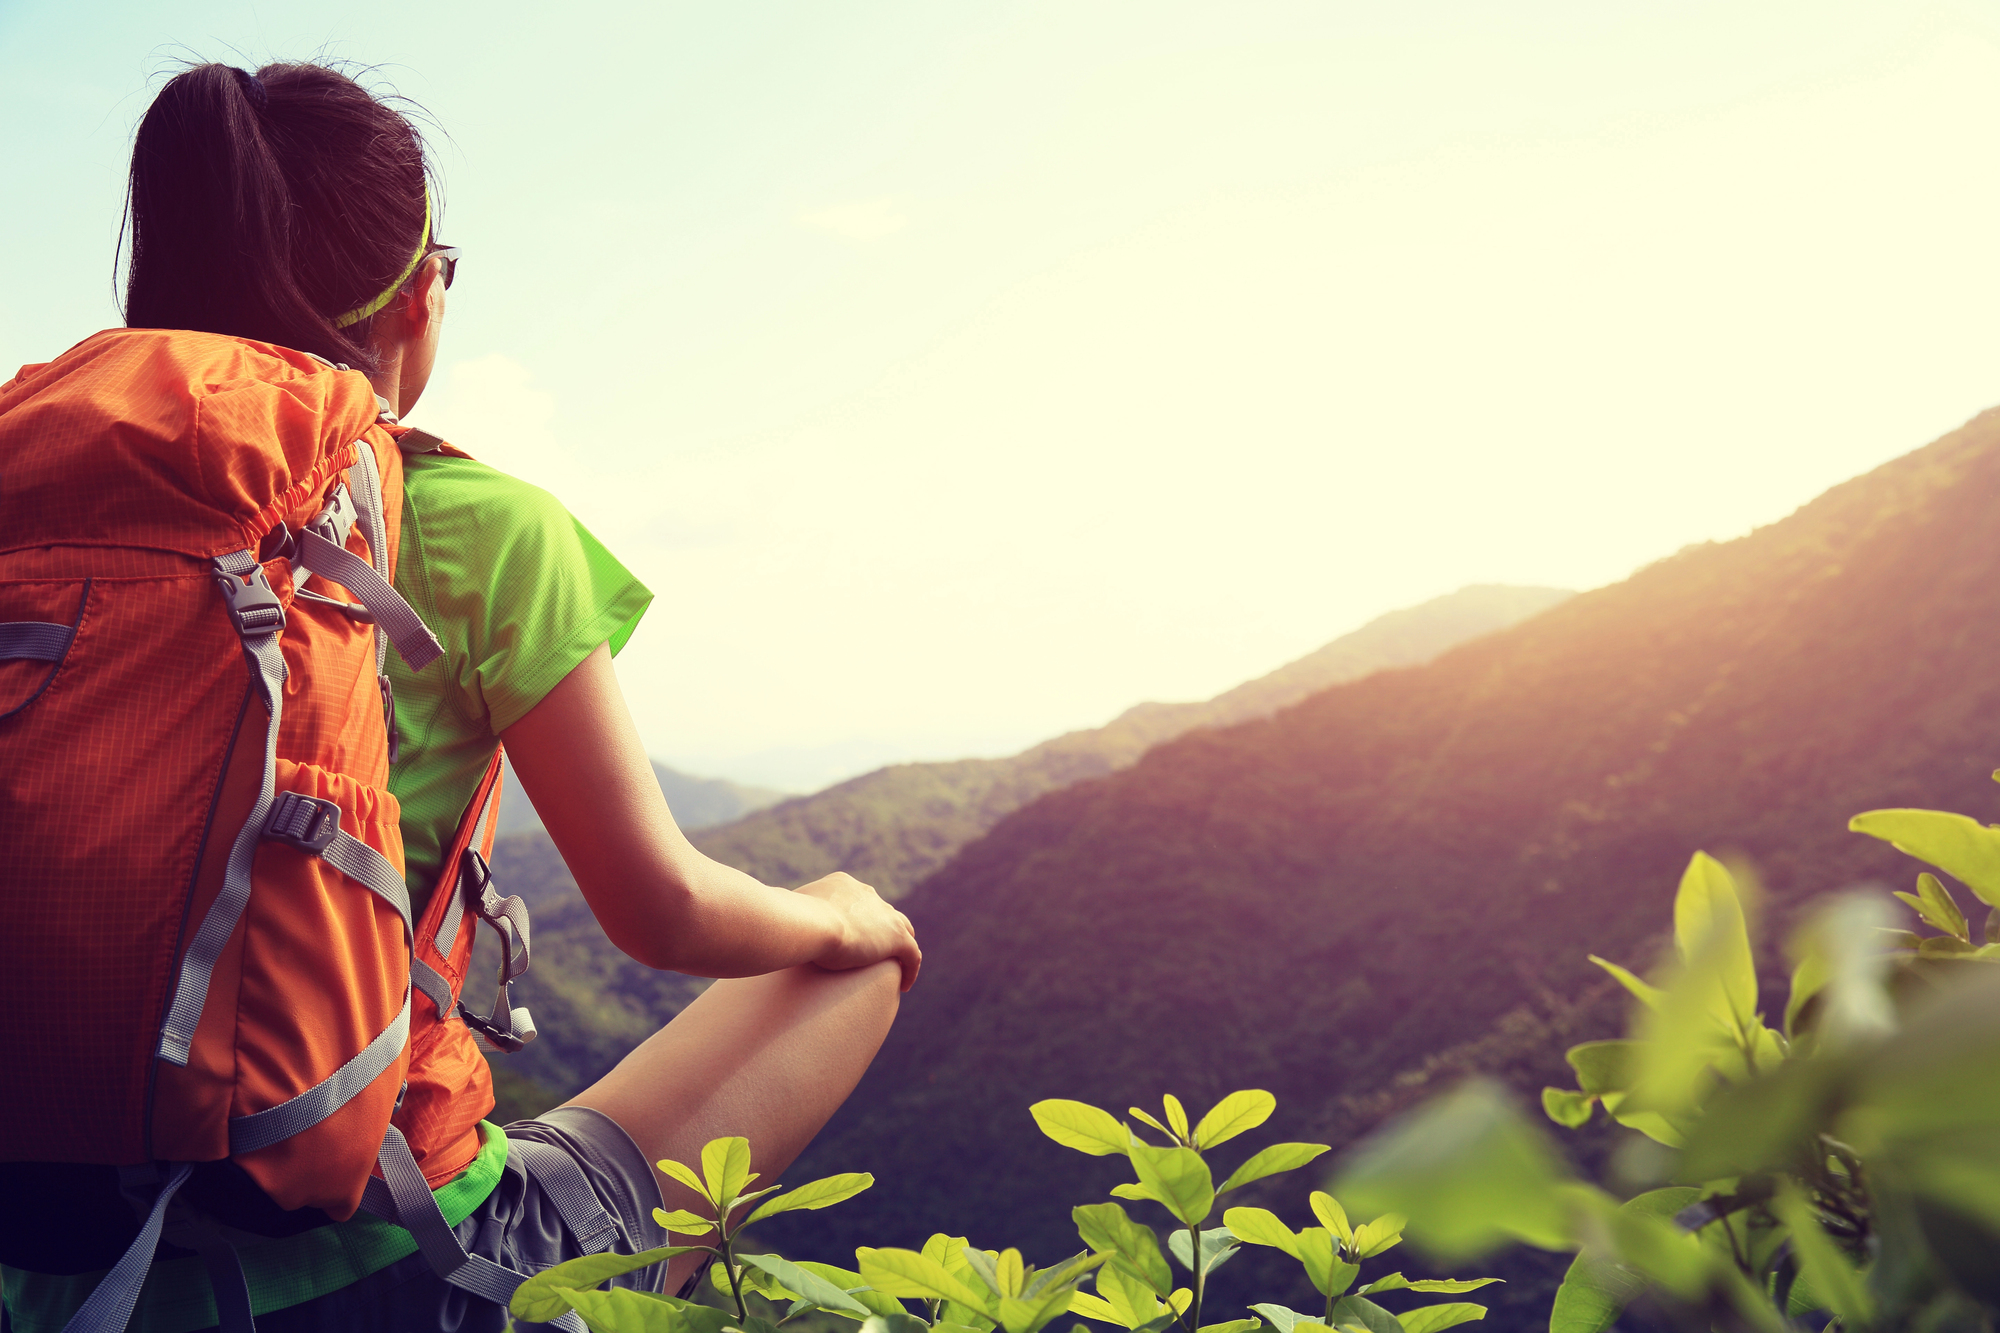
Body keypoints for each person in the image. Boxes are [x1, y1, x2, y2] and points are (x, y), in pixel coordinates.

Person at [0, 60, 918, 1333]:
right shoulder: (489, 530)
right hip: (395, 1257)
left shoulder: (34, 508)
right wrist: (849, 922)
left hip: (50, 1255)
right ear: (418, 293)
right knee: (845, 947)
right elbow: (657, 911)